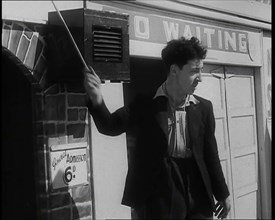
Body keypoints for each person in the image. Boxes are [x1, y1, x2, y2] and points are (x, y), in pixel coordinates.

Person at [83, 37, 231, 219]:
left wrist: (222, 194)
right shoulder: (145, 105)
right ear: (174, 70)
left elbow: (210, 154)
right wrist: (97, 98)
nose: (200, 78)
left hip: (198, 192)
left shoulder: (204, 108)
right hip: (161, 195)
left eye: (201, 71)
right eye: (194, 71)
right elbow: (110, 126)